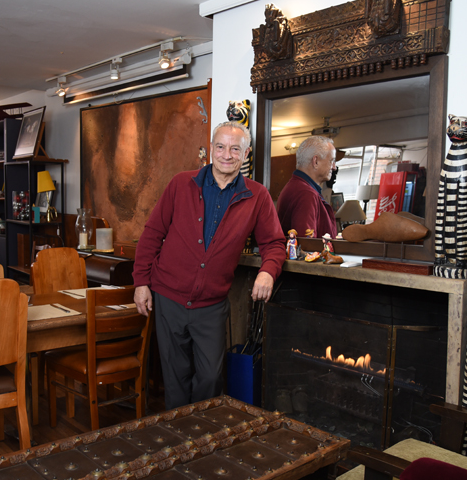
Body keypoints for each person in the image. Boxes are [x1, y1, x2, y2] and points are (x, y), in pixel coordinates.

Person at [133, 121, 286, 410]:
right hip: (168, 297)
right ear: (211, 149)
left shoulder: (258, 196)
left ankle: (202, 432)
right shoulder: (181, 183)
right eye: (221, 147)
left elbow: (275, 243)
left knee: (210, 378)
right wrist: (141, 282)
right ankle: (178, 434)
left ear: (246, 154)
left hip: (212, 305)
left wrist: (267, 271)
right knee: (175, 377)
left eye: (235, 149)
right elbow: (152, 233)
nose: (227, 154)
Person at [276, 136, 338, 239]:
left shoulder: (298, 188)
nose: (334, 167)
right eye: (331, 161)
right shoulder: (306, 194)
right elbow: (306, 244)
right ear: (316, 161)